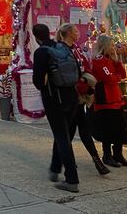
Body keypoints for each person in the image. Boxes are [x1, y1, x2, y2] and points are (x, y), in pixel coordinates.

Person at [32, 23, 81, 193]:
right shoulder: (62, 47)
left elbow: (38, 82)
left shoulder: (40, 52)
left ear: (36, 37)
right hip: (71, 97)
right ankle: (54, 169)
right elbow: (78, 72)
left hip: (54, 99)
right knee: (61, 133)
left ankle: (72, 179)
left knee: (62, 136)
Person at [56, 25, 110, 176]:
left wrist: (89, 81)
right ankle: (67, 162)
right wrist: (83, 87)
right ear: (68, 34)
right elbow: (68, 74)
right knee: (71, 131)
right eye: (75, 31)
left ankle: (90, 161)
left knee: (78, 130)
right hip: (71, 96)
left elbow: (84, 66)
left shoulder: (77, 49)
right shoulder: (62, 50)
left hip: (79, 98)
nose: (78, 33)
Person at [90, 35, 127, 168]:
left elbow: (122, 75)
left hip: (116, 97)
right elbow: (109, 78)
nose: (113, 48)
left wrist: (117, 61)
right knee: (108, 128)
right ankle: (107, 155)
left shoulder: (111, 59)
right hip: (105, 98)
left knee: (120, 126)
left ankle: (118, 154)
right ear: (105, 46)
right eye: (111, 45)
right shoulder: (99, 60)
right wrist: (117, 77)